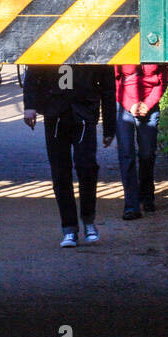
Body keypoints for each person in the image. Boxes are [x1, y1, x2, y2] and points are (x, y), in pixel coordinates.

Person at [22, 64, 116, 247]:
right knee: (60, 172)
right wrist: (29, 105)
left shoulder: (96, 41)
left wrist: (109, 128)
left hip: (84, 113)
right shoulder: (49, 40)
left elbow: (108, 86)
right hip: (55, 113)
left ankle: (88, 220)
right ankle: (69, 228)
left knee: (87, 167)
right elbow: (33, 71)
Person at [114, 63, 168, 219]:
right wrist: (130, 105)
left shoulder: (157, 46)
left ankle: (147, 195)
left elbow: (163, 80)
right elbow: (115, 80)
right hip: (125, 105)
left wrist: (148, 104)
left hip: (149, 106)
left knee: (147, 153)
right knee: (126, 154)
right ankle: (131, 205)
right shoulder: (121, 45)